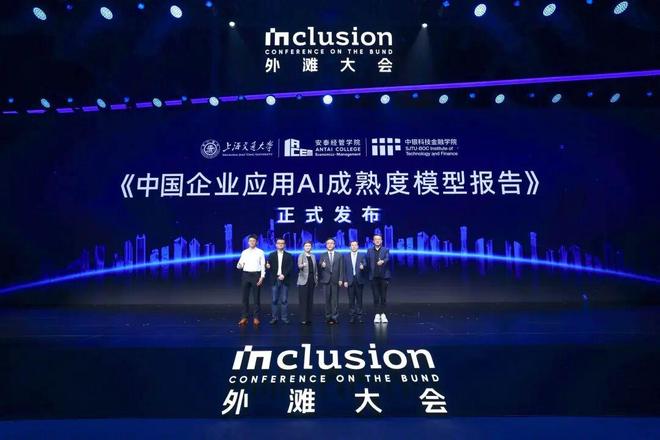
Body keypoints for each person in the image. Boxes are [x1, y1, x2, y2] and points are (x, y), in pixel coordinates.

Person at [236, 234, 265, 326]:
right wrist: (239, 265)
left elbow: (263, 265)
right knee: (245, 297)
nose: (252, 242)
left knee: (256, 298)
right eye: (250, 241)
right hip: (246, 275)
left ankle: (256, 318)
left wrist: (262, 277)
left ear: (256, 242)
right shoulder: (244, 252)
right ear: (248, 242)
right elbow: (239, 265)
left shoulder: (260, 252)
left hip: (256, 275)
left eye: (253, 241)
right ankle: (244, 317)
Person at [266, 238, 294, 324]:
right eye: (279, 243)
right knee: (274, 300)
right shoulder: (271, 255)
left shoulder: (289, 255)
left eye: (282, 243)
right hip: (275, 279)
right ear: (276, 245)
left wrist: (284, 275)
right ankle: (274, 318)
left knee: (284, 300)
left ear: (284, 245)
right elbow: (268, 265)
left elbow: (290, 267)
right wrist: (267, 266)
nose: (280, 244)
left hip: (285, 279)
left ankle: (284, 318)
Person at [318, 237, 344, 325]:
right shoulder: (323, 255)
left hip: (336, 280)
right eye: (328, 243)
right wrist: (322, 265)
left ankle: (335, 317)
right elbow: (319, 265)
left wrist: (341, 279)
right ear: (326, 245)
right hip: (326, 280)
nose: (330, 245)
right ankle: (328, 317)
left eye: (331, 243)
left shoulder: (339, 255)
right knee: (327, 300)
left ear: (334, 245)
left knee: (335, 300)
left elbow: (341, 268)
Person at [366, 234, 391, 324]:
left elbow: (388, 258)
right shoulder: (369, 250)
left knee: (383, 297)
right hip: (373, 277)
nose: (377, 241)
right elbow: (367, 262)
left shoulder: (385, 250)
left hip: (384, 277)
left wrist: (383, 261)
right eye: (376, 239)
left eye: (379, 239)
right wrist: (362, 265)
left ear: (381, 241)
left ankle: (383, 314)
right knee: (376, 297)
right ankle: (377, 314)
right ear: (373, 241)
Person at [342, 240, 367, 323]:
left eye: (355, 245)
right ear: (350, 247)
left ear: (358, 246)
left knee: (359, 299)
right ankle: (352, 316)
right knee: (351, 300)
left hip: (359, 280)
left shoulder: (362, 255)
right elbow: (344, 269)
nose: (354, 246)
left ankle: (359, 316)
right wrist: (345, 280)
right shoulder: (346, 256)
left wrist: (363, 266)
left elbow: (365, 264)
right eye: (352, 245)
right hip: (350, 280)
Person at [296, 240, 317, 325]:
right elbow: (299, 266)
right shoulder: (301, 255)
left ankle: (309, 318)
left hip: (312, 279)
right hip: (303, 280)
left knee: (310, 300)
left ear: (311, 247)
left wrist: (316, 278)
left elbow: (315, 269)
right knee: (303, 300)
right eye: (306, 246)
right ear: (304, 247)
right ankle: (303, 319)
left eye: (309, 246)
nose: (308, 247)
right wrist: (302, 265)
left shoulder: (313, 256)